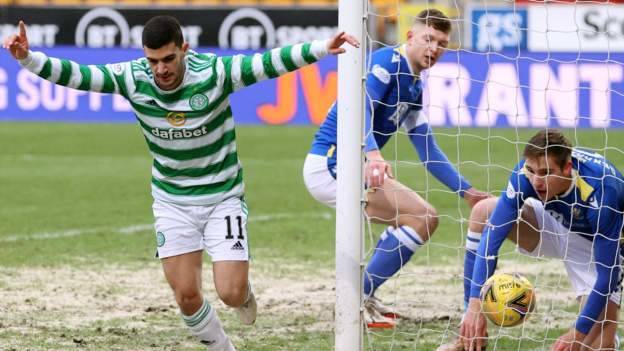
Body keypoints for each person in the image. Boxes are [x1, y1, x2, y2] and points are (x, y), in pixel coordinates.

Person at [3, 16, 358, 351]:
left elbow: (264, 63)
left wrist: (320, 48)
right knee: (187, 295)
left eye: (168, 59)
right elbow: (80, 75)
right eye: (153, 61)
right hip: (172, 201)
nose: (161, 69)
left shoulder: (215, 73)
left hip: (222, 197)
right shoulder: (132, 77)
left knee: (230, 294)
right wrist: (28, 58)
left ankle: (244, 292)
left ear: (184, 49)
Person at [303, 9, 488, 328]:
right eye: (428, 39)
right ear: (410, 37)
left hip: (351, 166)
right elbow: (359, 108)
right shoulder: (386, 64)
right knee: (423, 217)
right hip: (332, 164)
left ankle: (361, 296)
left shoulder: (414, 87)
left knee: (419, 219)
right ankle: (355, 300)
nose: (434, 48)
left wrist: (466, 190)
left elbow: (427, 148)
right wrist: (372, 155)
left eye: (442, 43)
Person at [456, 130, 623, 351]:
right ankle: (468, 336)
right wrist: (475, 304)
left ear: (567, 168)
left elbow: (607, 275)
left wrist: (577, 332)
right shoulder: (526, 174)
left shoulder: (601, 191)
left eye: (546, 173)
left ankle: (606, 333)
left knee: (595, 344)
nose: (537, 181)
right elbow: (492, 236)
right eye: (532, 171)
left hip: (598, 246)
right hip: (554, 224)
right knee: (484, 210)